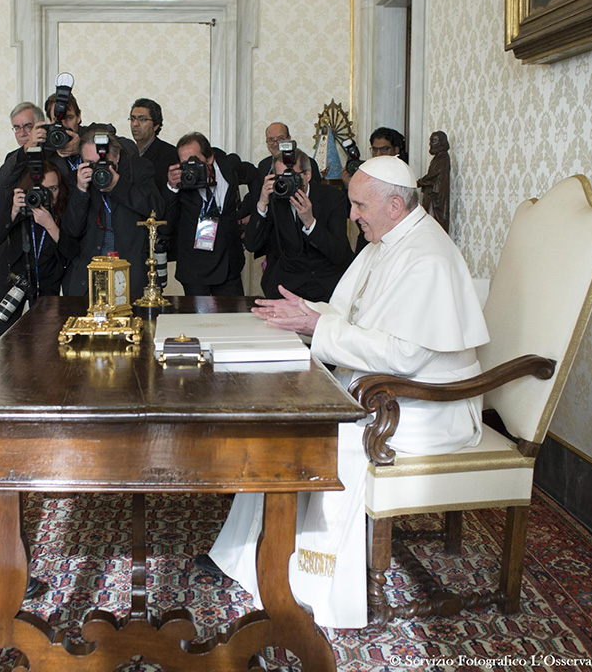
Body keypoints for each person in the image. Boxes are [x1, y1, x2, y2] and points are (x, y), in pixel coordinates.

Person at [199, 154, 489, 629]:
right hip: (389, 389)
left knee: (321, 435)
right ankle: (247, 552)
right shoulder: (386, 242)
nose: (352, 215)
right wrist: (305, 312)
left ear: (395, 205)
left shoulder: (427, 256)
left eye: (359, 205)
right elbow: (348, 315)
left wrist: (316, 325)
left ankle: (312, 581)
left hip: (429, 405)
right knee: (283, 413)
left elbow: (407, 356)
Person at [61, 124, 161, 299]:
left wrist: (118, 186)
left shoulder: (138, 169)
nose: (98, 169)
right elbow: (71, 230)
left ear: (118, 156)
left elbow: (156, 209)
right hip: (90, 278)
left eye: (102, 162)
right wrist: (81, 191)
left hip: (131, 276)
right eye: (90, 163)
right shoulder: (77, 179)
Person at [243, 145, 356, 302]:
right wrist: (262, 204)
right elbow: (252, 244)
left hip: (327, 284)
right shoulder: (274, 199)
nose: (285, 182)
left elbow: (339, 254)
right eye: (280, 177)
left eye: (292, 176)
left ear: (307, 175)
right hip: (286, 284)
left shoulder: (333, 198)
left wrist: (310, 222)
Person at [0, 159, 76, 344]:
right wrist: (13, 212)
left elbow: (72, 251)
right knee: (1, 338)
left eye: (53, 189)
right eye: (41, 189)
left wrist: (50, 224)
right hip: (13, 277)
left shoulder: (63, 212)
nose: (47, 195)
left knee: (46, 341)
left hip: (47, 279)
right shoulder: (20, 208)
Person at [162, 132, 257, 295]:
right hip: (195, 271)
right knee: (199, 321)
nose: (189, 168)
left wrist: (254, 214)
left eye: (193, 161)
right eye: (184, 163)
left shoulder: (229, 166)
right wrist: (172, 187)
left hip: (229, 266)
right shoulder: (181, 180)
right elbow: (165, 226)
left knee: (235, 318)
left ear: (210, 158)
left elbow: (255, 176)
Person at [129, 98, 180, 265]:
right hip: (132, 238)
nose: (135, 124)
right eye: (133, 118)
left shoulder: (170, 155)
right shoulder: (126, 154)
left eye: (142, 119)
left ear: (156, 125)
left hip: (161, 237)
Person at [254, 122, 322, 189]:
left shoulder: (308, 163)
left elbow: (316, 194)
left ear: (289, 138)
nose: (275, 144)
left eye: (280, 138)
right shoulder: (263, 165)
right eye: (271, 140)